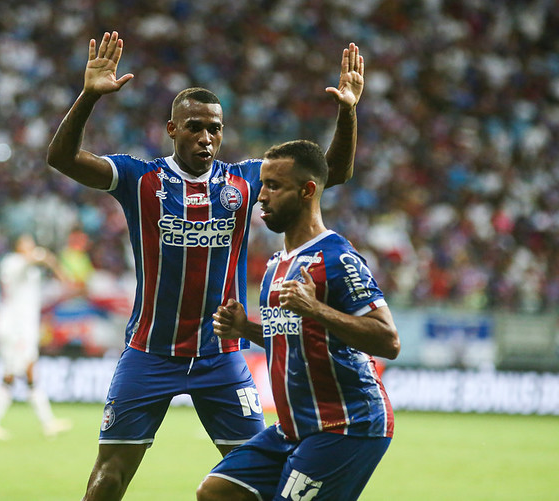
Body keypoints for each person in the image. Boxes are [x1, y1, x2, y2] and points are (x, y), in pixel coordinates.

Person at [46, 31, 365, 501]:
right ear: (172, 130)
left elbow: (332, 173)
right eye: (194, 127)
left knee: (261, 479)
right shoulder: (140, 178)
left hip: (221, 357)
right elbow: (61, 158)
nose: (206, 137)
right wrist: (89, 96)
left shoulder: (245, 180)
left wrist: (348, 111)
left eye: (214, 128)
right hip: (149, 352)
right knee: (109, 476)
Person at [196, 140, 401, 501]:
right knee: (217, 492)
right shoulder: (277, 264)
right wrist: (245, 329)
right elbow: (296, 337)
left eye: (274, 186)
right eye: (263, 185)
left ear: (307, 191)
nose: (261, 196)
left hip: (347, 424)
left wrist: (316, 309)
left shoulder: (337, 257)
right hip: (294, 428)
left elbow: (389, 340)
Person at [0, 233, 74, 440]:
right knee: (10, 375)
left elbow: (55, 278)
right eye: (26, 244)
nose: (31, 247)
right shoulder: (12, 262)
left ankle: (48, 423)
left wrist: (53, 265)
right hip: (14, 328)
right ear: (17, 246)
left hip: (25, 328)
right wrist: (44, 257)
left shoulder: (30, 269)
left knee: (29, 374)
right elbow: (32, 260)